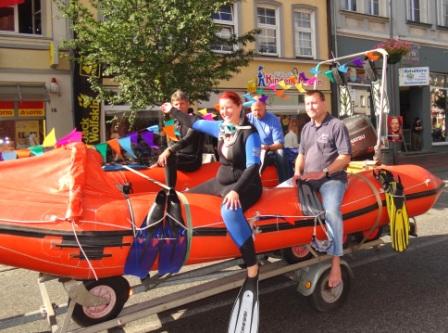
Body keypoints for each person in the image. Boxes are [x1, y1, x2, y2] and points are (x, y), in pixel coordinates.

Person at [161, 91, 262, 279]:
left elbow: (253, 166)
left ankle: (252, 264)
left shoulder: (250, 133)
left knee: (229, 212)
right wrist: (171, 111)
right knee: (187, 196)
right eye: (222, 108)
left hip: (246, 185)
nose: (225, 112)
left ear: (240, 107)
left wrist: (236, 192)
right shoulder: (221, 128)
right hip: (221, 182)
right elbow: (194, 122)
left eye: (229, 107)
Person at [293, 90, 351, 288]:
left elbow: (345, 157)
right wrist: (296, 171)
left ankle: (336, 262)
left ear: (324, 103)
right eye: (308, 103)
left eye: (314, 103)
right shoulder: (306, 128)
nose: (310, 107)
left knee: (332, 211)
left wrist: (324, 172)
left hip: (331, 179)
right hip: (308, 178)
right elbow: (301, 154)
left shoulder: (337, 126)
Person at [157, 90, 205, 188]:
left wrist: (169, 151)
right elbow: (170, 144)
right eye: (176, 104)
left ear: (188, 104)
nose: (179, 107)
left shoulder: (196, 120)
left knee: (169, 157)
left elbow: (187, 140)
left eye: (182, 103)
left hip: (193, 160)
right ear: (172, 106)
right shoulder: (170, 122)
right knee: (164, 158)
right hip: (178, 157)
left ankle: (170, 192)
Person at [247, 97, 290, 182]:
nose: (256, 113)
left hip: (270, 151)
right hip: (253, 150)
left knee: (280, 152)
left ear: (265, 107)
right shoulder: (247, 118)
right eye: (254, 110)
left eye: (259, 110)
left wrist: (267, 148)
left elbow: (280, 144)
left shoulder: (273, 119)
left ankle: (285, 182)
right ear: (251, 108)